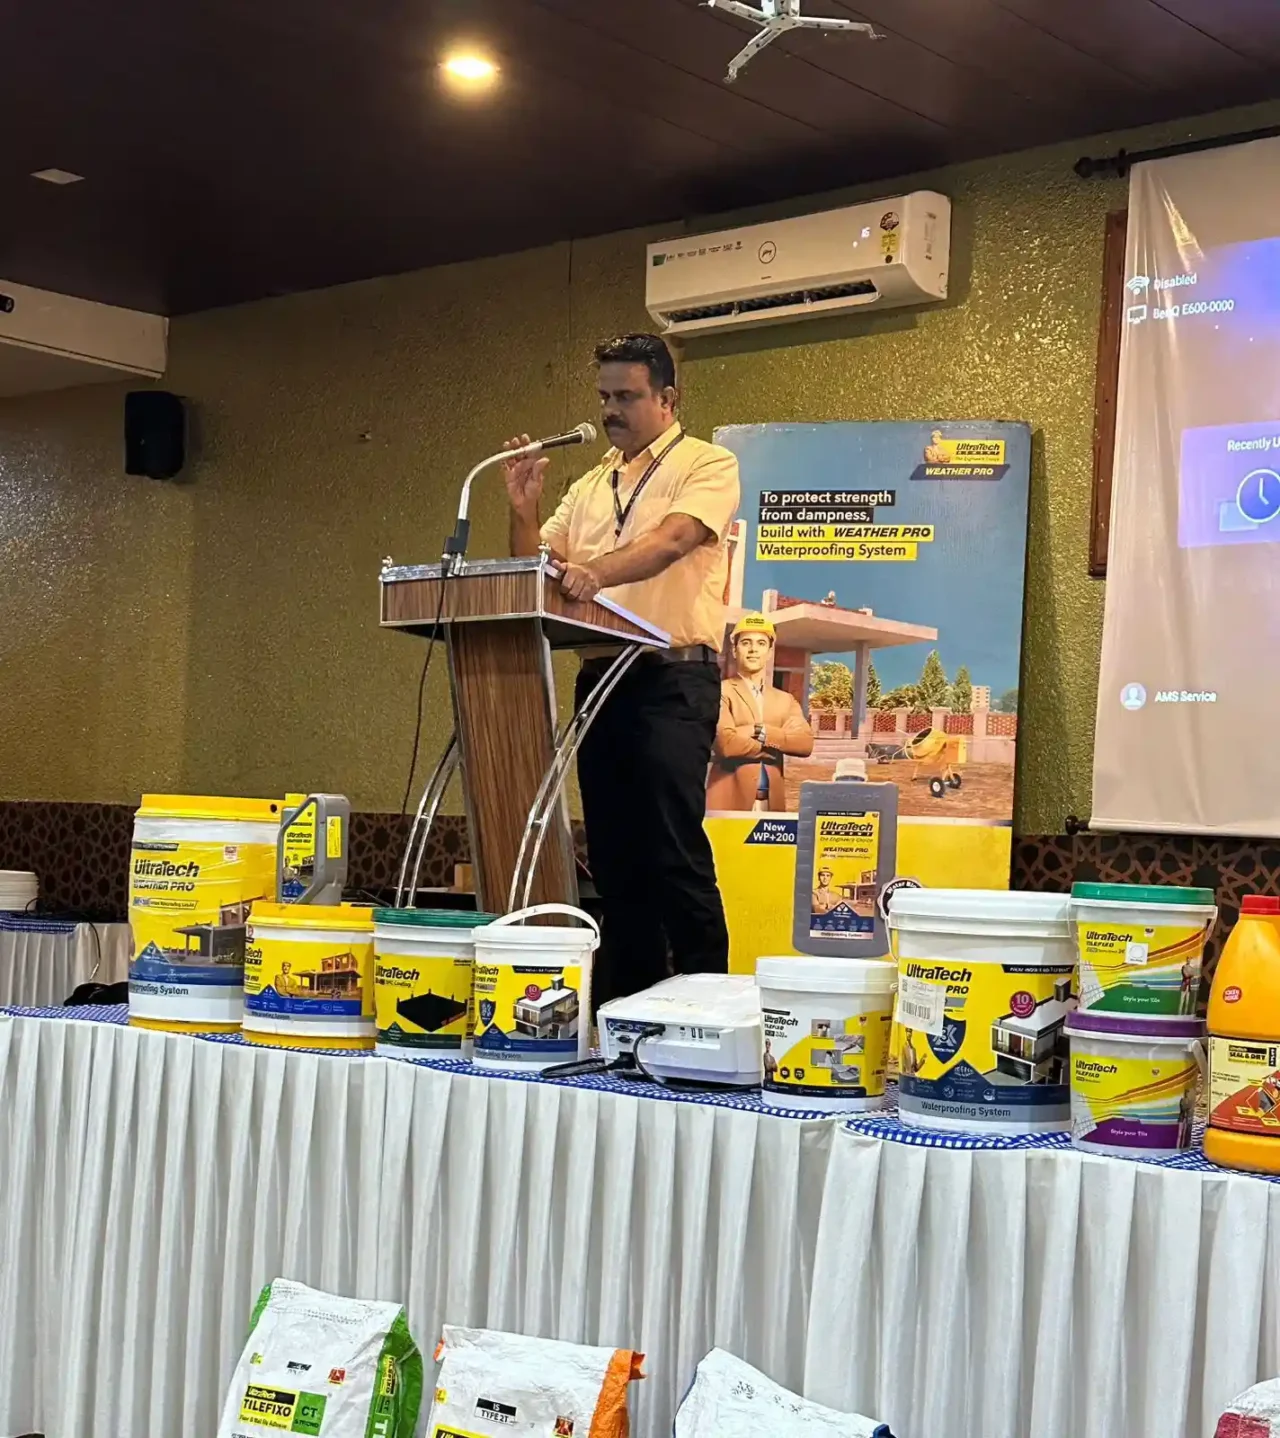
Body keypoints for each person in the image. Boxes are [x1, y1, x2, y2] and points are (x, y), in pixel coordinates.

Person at [504, 333, 740, 1004]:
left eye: (626, 396)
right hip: (601, 682)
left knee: (671, 849)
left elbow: (672, 540)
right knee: (614, 859)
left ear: (668, 399)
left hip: (672, 679)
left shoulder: (707, 463)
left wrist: (595, 573)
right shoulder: (589, 484)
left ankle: (709, 1007)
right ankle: (628, 1013)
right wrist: (522, 510)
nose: (610, 410)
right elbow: (536, 569)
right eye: (604, 396)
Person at [706, 612, 814, 812]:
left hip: (772, 801)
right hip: (728, 796)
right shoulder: (720, 692)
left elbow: (804, 744)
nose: (753, 649)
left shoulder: (785, 699)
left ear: (770, 651)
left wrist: (761, 732)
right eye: (746, 642)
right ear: (734, 650)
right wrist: (778, 743)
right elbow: (726, 744)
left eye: (761, 643)